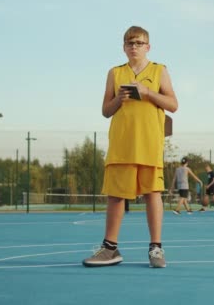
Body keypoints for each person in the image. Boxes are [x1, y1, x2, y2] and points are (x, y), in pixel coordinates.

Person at [82, 26, 178, 268]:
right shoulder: (115, 73)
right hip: (122, 143)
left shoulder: (159, 70)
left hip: (149, 143)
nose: (133, 46)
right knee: (115, 196)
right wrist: (118, 99)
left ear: (148, 46)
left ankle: (156, 249)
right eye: (129, 43)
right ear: (124, 47)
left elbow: (173, 104)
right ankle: (110, 249)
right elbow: (105, 111)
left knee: (152, 193)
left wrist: (148, 92)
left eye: (138, 42)